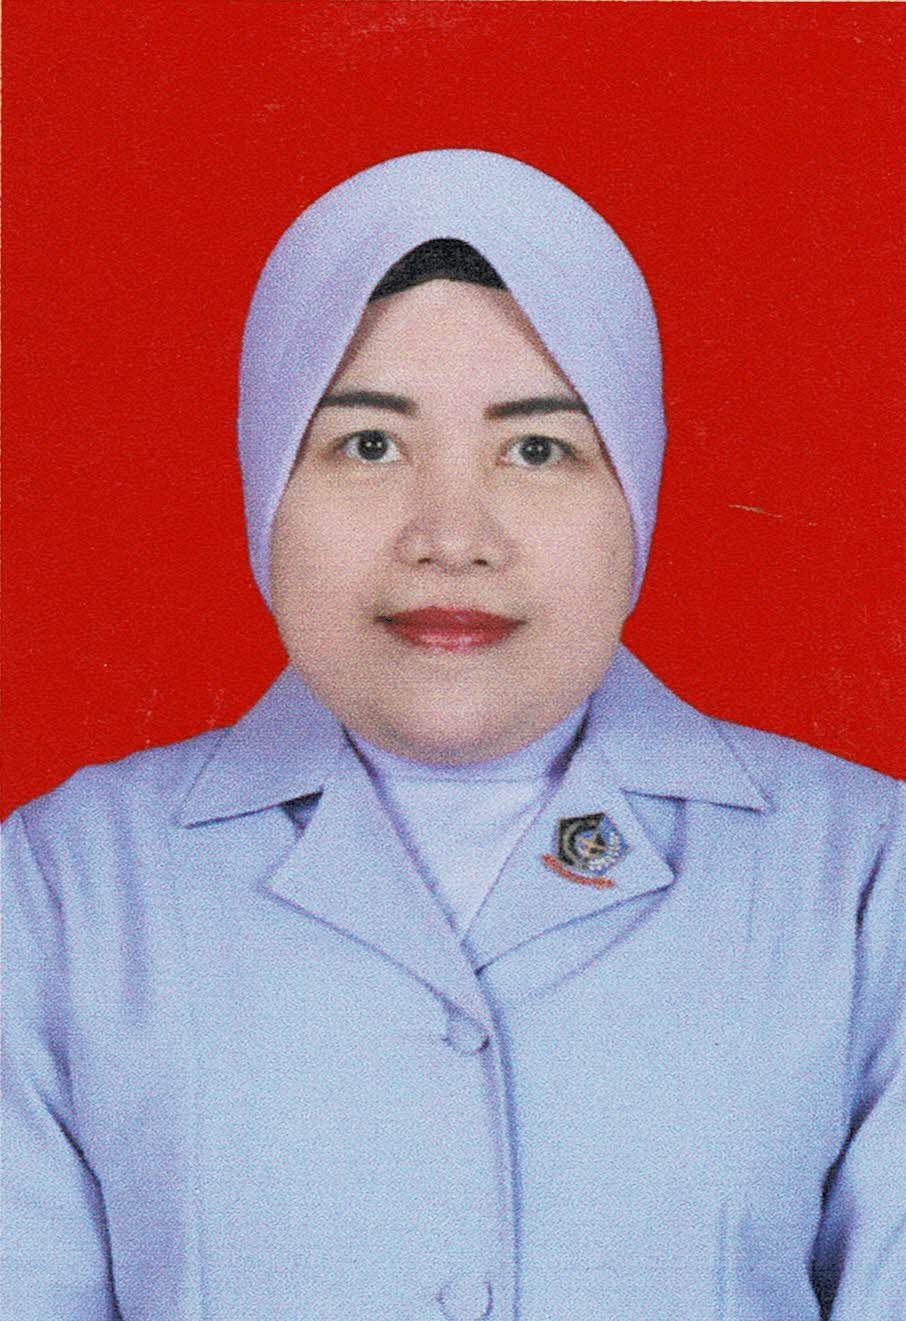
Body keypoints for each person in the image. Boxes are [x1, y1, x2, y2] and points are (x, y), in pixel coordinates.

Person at [2, 149, 903, 1321]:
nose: (451, 534)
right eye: (370, 445)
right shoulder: (64, 889)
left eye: (537, 448)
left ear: (635, 487)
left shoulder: (863, 878)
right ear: (266, 478)